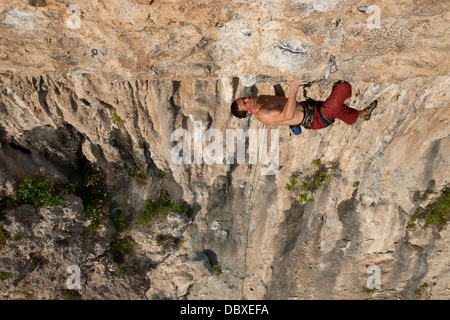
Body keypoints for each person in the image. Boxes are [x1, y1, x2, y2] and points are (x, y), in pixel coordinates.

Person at [230, 80, 377, 131]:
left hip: (314, 107)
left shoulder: (262, 98)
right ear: (248, 112)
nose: (248, 99)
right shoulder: (263, 115)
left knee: (340, 110)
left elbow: (280, 99)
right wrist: (294, 88)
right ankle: (354, 111)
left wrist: (275, 81)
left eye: (244, 98)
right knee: (343, 87)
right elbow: (288, 115)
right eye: (245, 103)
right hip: (315, 119)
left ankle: (363, 113)